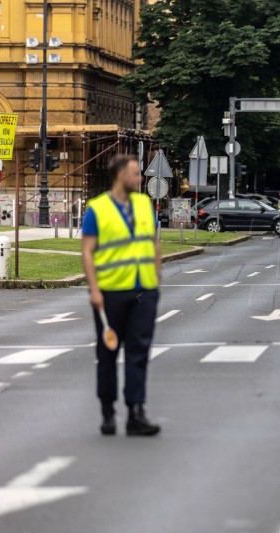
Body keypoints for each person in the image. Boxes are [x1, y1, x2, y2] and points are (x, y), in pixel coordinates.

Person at [81, 154, 162, 437]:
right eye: (135, 174)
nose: (140, 179)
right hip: (110, 292)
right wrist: (94, 290)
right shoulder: (97, 209)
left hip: (144, 291)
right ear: (120, 176)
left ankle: (136, 412)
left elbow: (152, 244)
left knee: (138, 352)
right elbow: (88, 252)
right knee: (108, 353)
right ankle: (107, 411)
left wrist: (157, 282)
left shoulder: (144, 205)